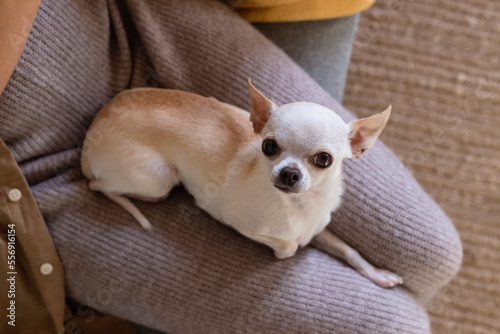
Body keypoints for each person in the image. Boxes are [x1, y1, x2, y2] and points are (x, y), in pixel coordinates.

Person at [0, 1, 462, 333]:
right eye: (273, 149)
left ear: (358, 143)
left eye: (319, 159)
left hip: (133, 21)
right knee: (396, 325)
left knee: (434, 253)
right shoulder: (268, 144)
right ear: (260, 124)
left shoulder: (317, 137)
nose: (289, 170)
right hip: (42, 176)